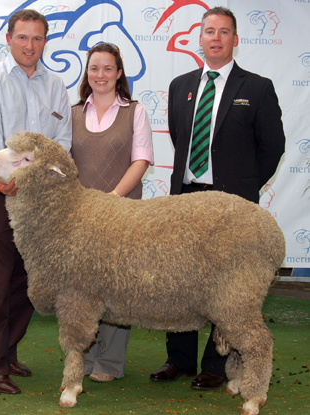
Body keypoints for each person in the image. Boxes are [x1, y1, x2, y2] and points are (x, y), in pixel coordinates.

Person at [150, 6, 285, 390]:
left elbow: (272, 146)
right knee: (179, 278)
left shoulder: (257, 88)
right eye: (209, 31)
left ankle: (214, 363)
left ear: (235, 39)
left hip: (230, 207)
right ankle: (179, 359)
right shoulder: (181, 85)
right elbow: (180, 137)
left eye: (224, 31)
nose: (216, 37)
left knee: (225, 284)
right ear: (200, 38)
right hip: (186, 199)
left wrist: (244, 186)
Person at [0, 10, 72, 395]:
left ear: (45, 41)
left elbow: (61, 144)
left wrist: (31, 179)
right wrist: (10, 179)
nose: (30, 46)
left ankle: (8, 353)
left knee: (27, 277)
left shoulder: (56, 86)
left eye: (37, 39)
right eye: (23, 38)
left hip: (38, 196)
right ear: (9, 39)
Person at [71, 42, 154, 382]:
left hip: (123, 214)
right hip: (80, 218)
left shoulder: (135, 111)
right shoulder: (73, 111)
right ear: (86, 73)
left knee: (119, 288)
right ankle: (86, 359)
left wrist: (114, 198)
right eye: (94, 68)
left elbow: (142, 160)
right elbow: (64, 164)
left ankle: (111, 363)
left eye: (108, 68)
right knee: (83, 289)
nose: (100, 75)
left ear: (119, 73)